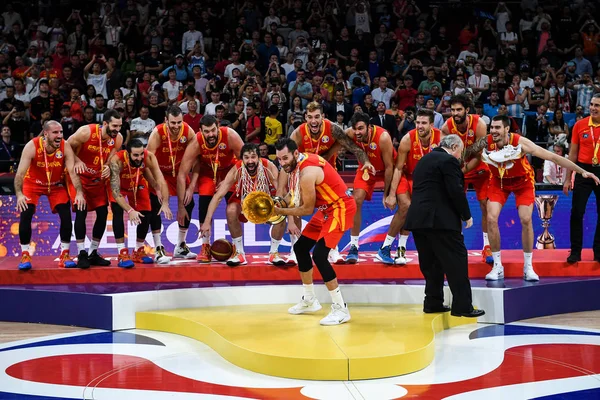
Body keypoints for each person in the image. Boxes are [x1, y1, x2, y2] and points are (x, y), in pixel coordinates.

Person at [483, 115, 600, 281]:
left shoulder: (521, 143)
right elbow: (466, 151)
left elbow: (552, 157)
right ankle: (497, 266)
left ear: (507, 129)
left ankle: (528, 266)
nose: (493, 131)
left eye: (497, 128)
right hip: (498, 181)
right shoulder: (485, 142)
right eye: (492, 128)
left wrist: (581, 171)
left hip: (522, 182)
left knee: (525, 219)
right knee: (491, 218)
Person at [273, 138, 357, 325]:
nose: (282, 163)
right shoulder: (296, 166)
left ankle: (341, 308)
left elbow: (306, 209)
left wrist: (280, 211)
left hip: (340, 207)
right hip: (327, 209)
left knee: (320, 255)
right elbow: (293, 195)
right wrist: (276, 203)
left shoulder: (307, 172)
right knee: (301, 248)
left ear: (295, 154)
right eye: (279, 159)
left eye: (285, 158)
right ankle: (309, 300)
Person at [404, 134, 484, 318]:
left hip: (418, 220)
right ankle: (462, 307)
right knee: (456, 262)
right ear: (455, 146)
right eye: (461, 151)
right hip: (441, 221)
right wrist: (466, 215)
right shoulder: (448, 161)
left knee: (431, 264)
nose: (459, 156)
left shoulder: (424, 160)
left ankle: (433, 302)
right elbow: (455, 190)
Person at [288, 101, 375, 264]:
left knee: (332, 212)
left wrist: (366, 162)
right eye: (310, 117)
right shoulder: (298, 133)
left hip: (327, 178)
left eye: (317, 117)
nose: (313, 121)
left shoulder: (333, 129)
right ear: (305, 117)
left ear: (323, 117)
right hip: (303, 176)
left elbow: (354, 148)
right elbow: (287, 158)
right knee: (296, 206)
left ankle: (332, 249)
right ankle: (294, 249)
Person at [15, 120, 86, 270]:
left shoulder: (64, 146)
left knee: (66, 216)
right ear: (45, 133)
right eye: (55, 132)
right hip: (32, 184)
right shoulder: (31, 146)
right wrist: (20, 194)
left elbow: (72, 172)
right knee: (26, 213)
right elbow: (20, 174)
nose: (59, 135)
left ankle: (65, 254)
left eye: (61, 132)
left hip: (55, 185)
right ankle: (25, 254)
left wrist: (79, 192)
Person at [200, 143, 287, 266]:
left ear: (259, 157)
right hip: (243, 200)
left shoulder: (268, 166)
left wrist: (284, 212)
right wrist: (207, 221)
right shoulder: (237, 169)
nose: (250, 161)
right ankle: (239, 253)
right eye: (246, 157)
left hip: (266, 200)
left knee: (281, 209)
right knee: (231, 210)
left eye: (253, 157)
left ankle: (274, 253)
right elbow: (218, 195)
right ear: (242, 159)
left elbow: (281, 193)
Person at [176, 115, 244, 262]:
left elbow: (246, 161)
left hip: (230, 171)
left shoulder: (230, 135)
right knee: (204, 204)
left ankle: (238, 249)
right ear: (200, 130)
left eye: (213, 130)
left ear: (218, 126)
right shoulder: (196, 142)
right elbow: (182, 173)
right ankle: (205, 246)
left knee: (233, 209)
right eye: (206, 131)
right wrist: (183, 199)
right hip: (207, 172)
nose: (211, 134)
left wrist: (231, 179)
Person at [381, 109, 442, 264]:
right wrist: (391, 194)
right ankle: (385, 248)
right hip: (405, 176)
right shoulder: (408, 139)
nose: (419, 126)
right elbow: (398, 168)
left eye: (423, 123)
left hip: (425, 181)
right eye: (417, 122)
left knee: (413, 210)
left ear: (431, 124)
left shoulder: (441, 138)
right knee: (406, 206)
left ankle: (401, 250)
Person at [67, 109, 123, 268]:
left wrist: (108, 166)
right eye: (114, 126)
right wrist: (77, 160)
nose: (117, 130)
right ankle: (81, 253)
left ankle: (92, 252)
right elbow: (66, 147)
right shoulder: (86, 132)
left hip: (97, 180)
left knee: (103, 212)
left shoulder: (117, 138)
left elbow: (112, 155)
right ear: (105, 123)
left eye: (119, 126)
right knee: (81, 211)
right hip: (80, 178)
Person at [441, 94, 492, 264]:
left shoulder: (480, 124)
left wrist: (461, 170)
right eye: (452, 110)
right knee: (453, 206)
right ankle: (456, 243)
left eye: (458, 109)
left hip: (478, 168)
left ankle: (487, 246)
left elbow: (478, 154)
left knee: (485, 205)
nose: (455, 113)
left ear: (467, 110)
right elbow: (444, 155)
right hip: (458, 169)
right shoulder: (446, 128)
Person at [108, 139, 173, 268]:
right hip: (119, 188)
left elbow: (160, 180)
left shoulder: (149, 157)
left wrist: (165, 202)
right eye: (135, 155)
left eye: (141, 154)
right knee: (117, 211)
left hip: (137, 183)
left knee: (146, 212)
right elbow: (116, 193)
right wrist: (130, 210)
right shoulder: (116, 161)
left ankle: (138, 250)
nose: (139, 158)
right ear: (128, 153)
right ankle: (122, 253)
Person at [343, 112, 396, 263]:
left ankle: (389, 248)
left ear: (369, 127)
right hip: (366, 169)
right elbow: (337, 135)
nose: (357, 132)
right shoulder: (350, 133)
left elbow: (389, 167)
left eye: (361, 128)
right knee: (356, 201)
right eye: (355, 129)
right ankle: (353, 247)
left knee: (402, 202)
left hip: (386, 170)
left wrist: (386, 194)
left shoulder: (382, 137)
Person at [147, 105, 197, 262]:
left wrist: (191, 186)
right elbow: (146, 162)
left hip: (179, 172)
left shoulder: (188, 132)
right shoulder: (157, 134)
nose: (176, 126)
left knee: (188, 204)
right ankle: (158, 248)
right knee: (155, 204)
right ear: (165, 121)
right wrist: (156, 186)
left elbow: (197, 158)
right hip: (159, 172)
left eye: (179, 122)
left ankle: (181, 246)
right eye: (173, 123)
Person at [565, 94, 600, 263]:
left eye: (597, 105)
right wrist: (566, 179)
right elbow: (572, 155)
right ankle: (575, 252)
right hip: (582, 171)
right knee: (577, 212)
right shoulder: (580, 125)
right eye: (592, 104)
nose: (593, 108)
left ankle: (599, 252)